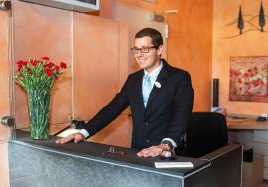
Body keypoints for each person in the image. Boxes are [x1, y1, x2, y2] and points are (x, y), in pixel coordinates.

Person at [56, 28, 194, 158]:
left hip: (168, 154)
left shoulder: (179, 77)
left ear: (159, 49)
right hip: (138, 153)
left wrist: (166, 145)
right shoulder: (133, 80)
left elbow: (182, 115)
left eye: (145, 49)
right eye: (136, 49)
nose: (139, 54)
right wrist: (83, 132)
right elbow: (112, 109)